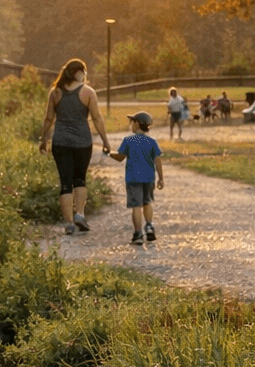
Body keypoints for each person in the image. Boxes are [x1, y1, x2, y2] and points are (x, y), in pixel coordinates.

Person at [38, 58, 111, 235]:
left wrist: (43, 140)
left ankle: (69, 224)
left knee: (65, 183)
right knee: (80, 178)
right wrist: (105, 141)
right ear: (80, 73)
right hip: (82, 142)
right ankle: (79, 214)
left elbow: (48, 119)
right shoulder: (88, 92)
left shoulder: (55, 93)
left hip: (61, 142)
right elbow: (97, 118)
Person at [109, 111, 164, 244]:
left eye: (131, 122)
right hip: (149, 178)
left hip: (133, 178)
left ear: (137, 124)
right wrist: (161, 178)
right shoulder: (152, 141)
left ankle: (138, 233)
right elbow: (158, 160)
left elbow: (120, 157)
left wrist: (109, 153)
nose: (130, 125)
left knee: (136, 206)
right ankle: (150, 226)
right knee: (147, 202)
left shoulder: (128, 141)